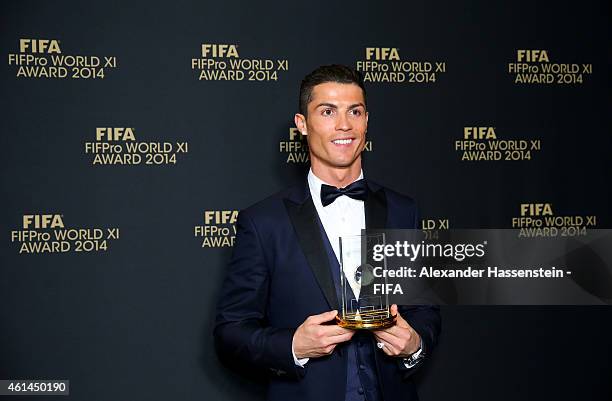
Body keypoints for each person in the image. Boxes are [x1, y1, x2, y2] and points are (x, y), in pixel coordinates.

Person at [214, 65, 440, 401]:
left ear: (367, 121)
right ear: (302, 125)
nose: (344, 125)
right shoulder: (263, 222)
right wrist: (293, 345)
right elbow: (230, 332)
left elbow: (425, 312)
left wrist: (415, 344)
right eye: (328, 111)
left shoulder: (402, 210)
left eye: (355, 111)